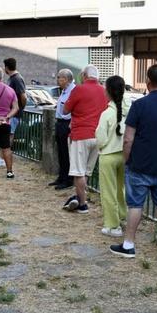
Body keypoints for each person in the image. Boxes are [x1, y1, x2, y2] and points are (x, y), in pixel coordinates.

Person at [110, 64, 157, 258]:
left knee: (135, 205)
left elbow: (128, 138)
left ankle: (128, 245)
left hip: (140, 165)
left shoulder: (140, 105)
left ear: (148, 81)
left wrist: (127, 160)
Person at [62, 65, 108, 213]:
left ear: (84, 75)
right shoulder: (104, 91)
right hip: (98, 135)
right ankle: (80, 196)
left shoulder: (79, 89)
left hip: (80, 134)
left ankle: (82, 204)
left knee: (78, 171)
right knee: (86, 172)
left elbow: (65, 110)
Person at [95, 76, 130, 237]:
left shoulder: (107, 114)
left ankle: (113, 225)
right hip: (124, 154)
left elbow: (101, 139)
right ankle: (122, 216)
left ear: (108, 91)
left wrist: (100, 147)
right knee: (120, 188)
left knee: (108, 192)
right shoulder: (128, 109)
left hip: (108, 155)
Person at [49, 69, 76, 190]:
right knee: (60, 151)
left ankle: (68, 180)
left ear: (65, 79)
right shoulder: (64, 91)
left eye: (59, 77)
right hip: (60, 123)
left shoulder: (73, 91)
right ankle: (61, 176)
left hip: (67, 124)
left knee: (66, 152)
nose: (57, 80)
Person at [4, 57, 27, 136]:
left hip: (14, 113)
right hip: (10, 112)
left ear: (6, 68)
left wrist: (21, 108)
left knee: (10, 134)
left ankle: (7, 148)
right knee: (7, 133)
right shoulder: (12, 78)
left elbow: (23, 96)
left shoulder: (17, 79)